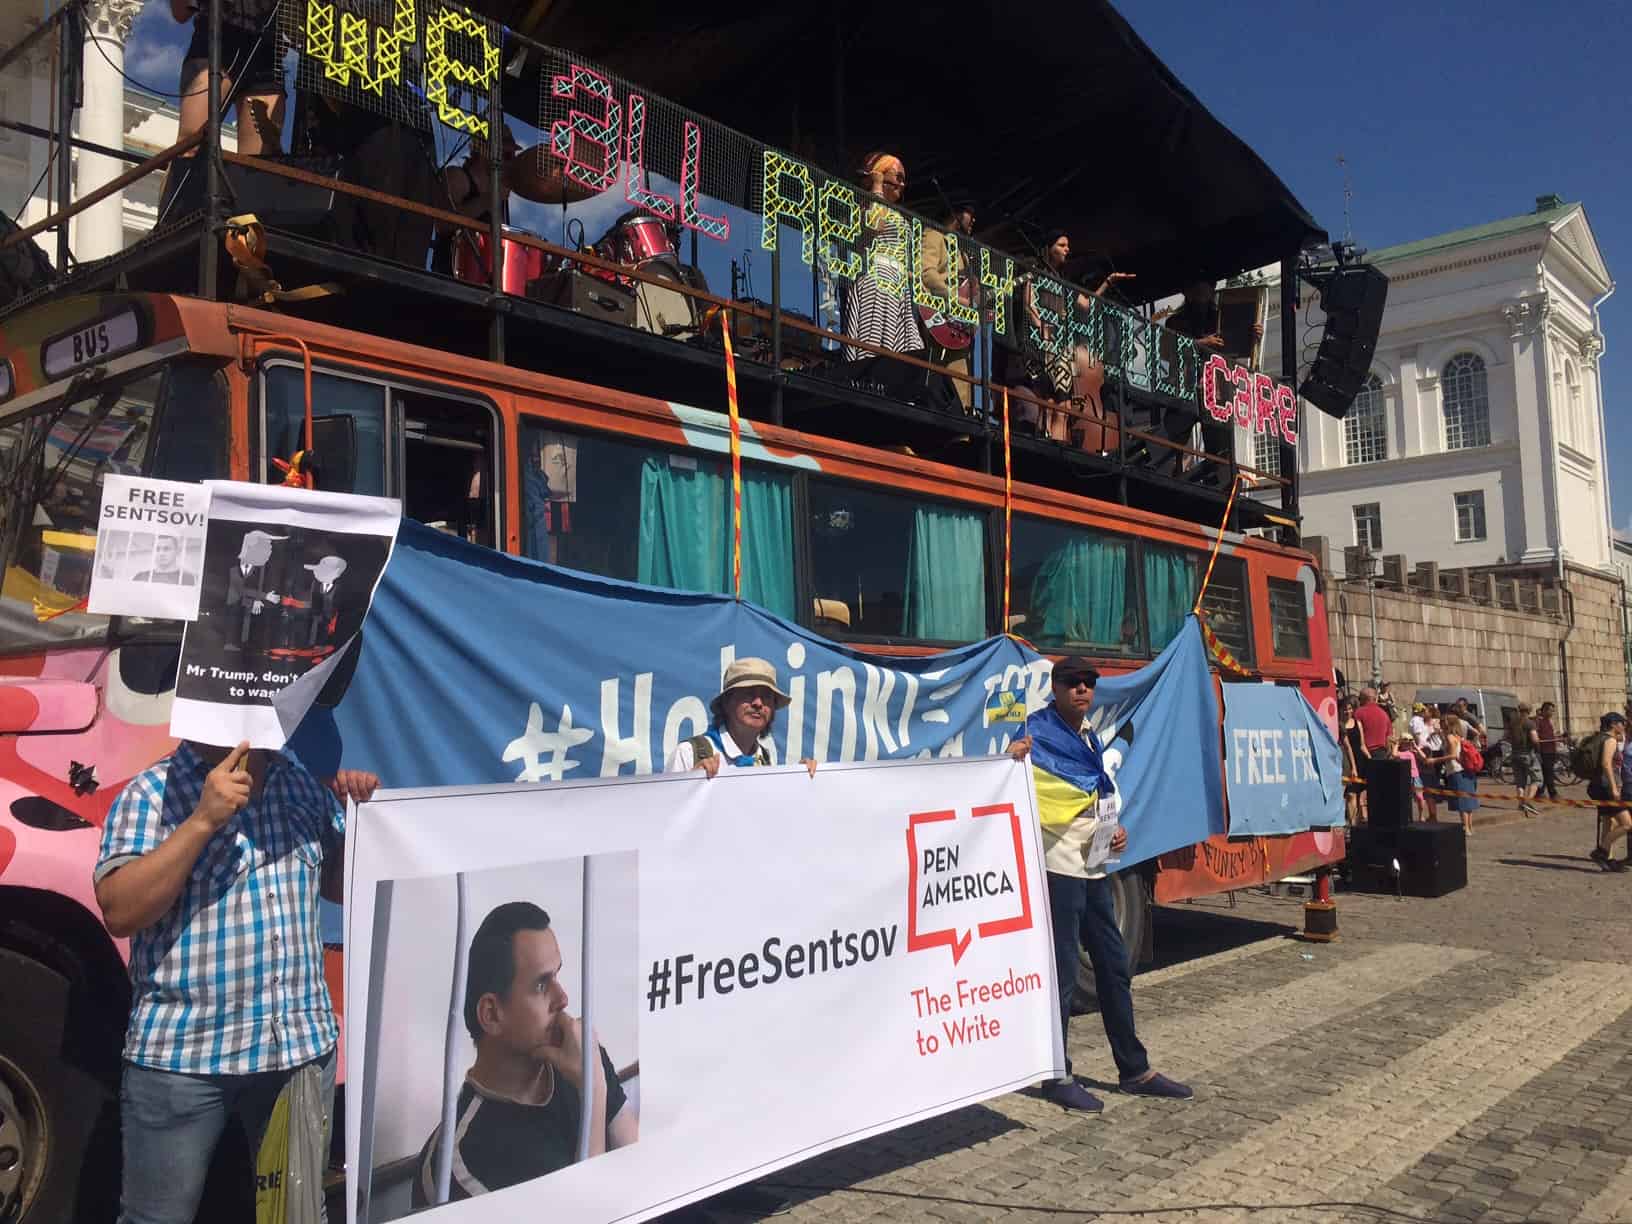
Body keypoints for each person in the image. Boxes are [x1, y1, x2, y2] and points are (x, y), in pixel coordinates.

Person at [94, 739, 379, 1224]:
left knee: (296, 1215)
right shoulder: (151, 791)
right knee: (157, 1218)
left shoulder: (299, 783)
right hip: (185, 1057)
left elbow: (337, 883)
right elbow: (120, 911)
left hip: (297, 1051)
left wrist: (359, 818)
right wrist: (202, 821)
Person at [1010, 657, 1191, 1111]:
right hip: (1057, 867)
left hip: (1093, 868)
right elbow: (1008, 781)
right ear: (1055, 688)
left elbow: (1096, 793)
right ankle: (1056, 1074)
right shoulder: (1034, 734)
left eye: (1089, 683)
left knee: (1113, 966)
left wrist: (1116, 832)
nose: (1082, 689)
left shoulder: (1089, 736)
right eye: (1073, 682)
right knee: (1063, 973)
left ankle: (1134, 1069)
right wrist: (1012, 758)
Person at [413, 902, 637, 1205]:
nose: (563, 998)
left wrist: (594, 1085)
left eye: (557, 975)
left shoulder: (584, 1060)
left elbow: (642, 1181)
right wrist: (594, 1095)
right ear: (492, 1014)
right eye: (542, 985)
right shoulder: (458, 1163)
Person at [666, 657, 818, 777]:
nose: (758, 703)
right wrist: (690, 784)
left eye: (766, 696)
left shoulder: (764, 760)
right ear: (726, 702)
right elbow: (666, 806)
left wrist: (799, 778)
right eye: (748, 693)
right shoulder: (688, 754)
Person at [171, 0, 283, 160]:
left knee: (261, 160)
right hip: (217, 36)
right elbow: (181, 12)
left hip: (267, 50)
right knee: (191, 147)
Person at [841, 153, 924, 365]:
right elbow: (874, 225)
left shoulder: (896, 213)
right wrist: (876, 186)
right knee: (873, 344)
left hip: (899, 288)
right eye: (898, 177)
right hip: (876, 281)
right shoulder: (866, 205)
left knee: (911, 348)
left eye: (904, 179)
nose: (902, 184)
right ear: (880, 173)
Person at [918, 199, 979, 413]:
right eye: (969, 213)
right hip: (938, 318)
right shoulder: (934, 235)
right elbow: (927, 274)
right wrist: (954, 298)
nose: (973, 219)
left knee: (961, 376)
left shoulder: (963, 252)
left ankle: (961, 419)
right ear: (956, 214)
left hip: (958, 325)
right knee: (937, 372)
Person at [1587, 712, 1629, 872]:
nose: (1624, 725)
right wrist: (1613, 787)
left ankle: (1608, 860)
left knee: (1608, 822)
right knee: (1627, 824)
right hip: (1606, 787)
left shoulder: (1600, 737)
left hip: (1597, 786)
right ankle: (1601, 852)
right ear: (1613, 724)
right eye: (1621, 722)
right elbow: (1606, 764)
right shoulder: (1610, 740)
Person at [1434, 715, 1478, 836]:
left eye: (1443, 721)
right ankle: (1470, 826)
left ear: (1448, 724)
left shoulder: (1449, 737)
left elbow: (1453, 755)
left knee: (1462, 801)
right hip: (1467, 769)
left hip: (1456, 770)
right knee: (1468, 800)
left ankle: (1465, 827)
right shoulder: (1459, 736)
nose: (1440, 723)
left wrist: (1435, 760)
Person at [1506, 703, 1541, 818]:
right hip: (1527, 755)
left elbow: (1506, 737)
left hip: (1515, 755)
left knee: (1520, 782)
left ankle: (1521, 804)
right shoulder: (1530, 723)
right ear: (1529, 711)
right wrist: (1538, 744)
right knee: (1536, 779)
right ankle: (1527, 802)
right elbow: (1534, 739)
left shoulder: (1512, 723)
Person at [1339, 696, 1366, 825]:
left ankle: (1355, 823)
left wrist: (1370, 759)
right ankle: (1350, 823)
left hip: (1358, 760)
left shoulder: (1357, 723)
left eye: (1350, 709)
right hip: (1345, 761)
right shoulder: (1338, 724)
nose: (1348, 711)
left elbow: (1362, 745)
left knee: (1356, 794)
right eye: (1345, 709)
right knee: (1349, 794)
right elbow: (1346, 746)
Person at [1353, 687, 1393, 760]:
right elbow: (1388, 737)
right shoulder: (1384, 714)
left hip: (1365, 754)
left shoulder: (1358, 713)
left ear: (1363, 699)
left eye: (1359, 698)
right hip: (1382, 754)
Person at [1536, 700, 1563, 801]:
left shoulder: (1549, 722)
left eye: (1553, 711)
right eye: (1551, 711)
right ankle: (1553, 794)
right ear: (1545, 711)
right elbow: (1537, 737)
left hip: (1551, 750)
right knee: (1548, 773)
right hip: (1544, 751)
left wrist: (1559, 738)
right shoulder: (1539, 722)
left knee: (1546, 773)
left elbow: (1550, 736)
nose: (1552, 713)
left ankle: (1539, 792)